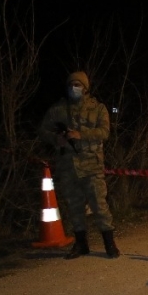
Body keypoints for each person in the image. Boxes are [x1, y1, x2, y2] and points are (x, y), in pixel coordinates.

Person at [38, 71, 121, 259]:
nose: (74, 88)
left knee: (99, 205)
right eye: (71, 84)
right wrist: (56, 138)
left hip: (91, 164)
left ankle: (110, 243)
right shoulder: (58, 109)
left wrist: (80, 134)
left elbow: (104, 132)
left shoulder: (97, 108)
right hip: (68, 165)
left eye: (78, 85)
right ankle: (81, 244)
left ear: (85, 88)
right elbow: (43, 130)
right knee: (74, 206)